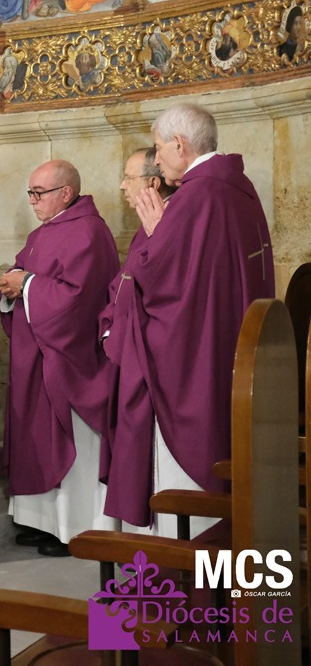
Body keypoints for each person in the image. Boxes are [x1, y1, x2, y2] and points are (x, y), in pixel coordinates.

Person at [113, 104, 274, 538]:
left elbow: (160, 283)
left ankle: (184, 570)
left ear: (180, 145)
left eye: (160, 147)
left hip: (194, 358)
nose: (158, 158)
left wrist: (153, 236)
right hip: (232, 343)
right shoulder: (239, 188)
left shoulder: (194, 197)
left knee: (191, 477)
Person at [0, 160, 119, 557]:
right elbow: (27, 275)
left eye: (40, 193)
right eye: (30, 193)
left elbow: (78, 299)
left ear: (66, 193)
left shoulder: (88, 232)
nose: (33, 201)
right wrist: (11, 286)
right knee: (36, 438)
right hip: (35, 357)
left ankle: (72, 529)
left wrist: (27, 285)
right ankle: (41, 522)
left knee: (66, 442)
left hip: (70, 360)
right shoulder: (41, 233)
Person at [98, 148, 176, 531]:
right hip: (129, 353)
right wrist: (109, 326)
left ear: (153, 183)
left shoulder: (168, 225)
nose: (122, 187)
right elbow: (123, 283)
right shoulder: (147, 227)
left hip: (151, 361)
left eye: (129, 178)